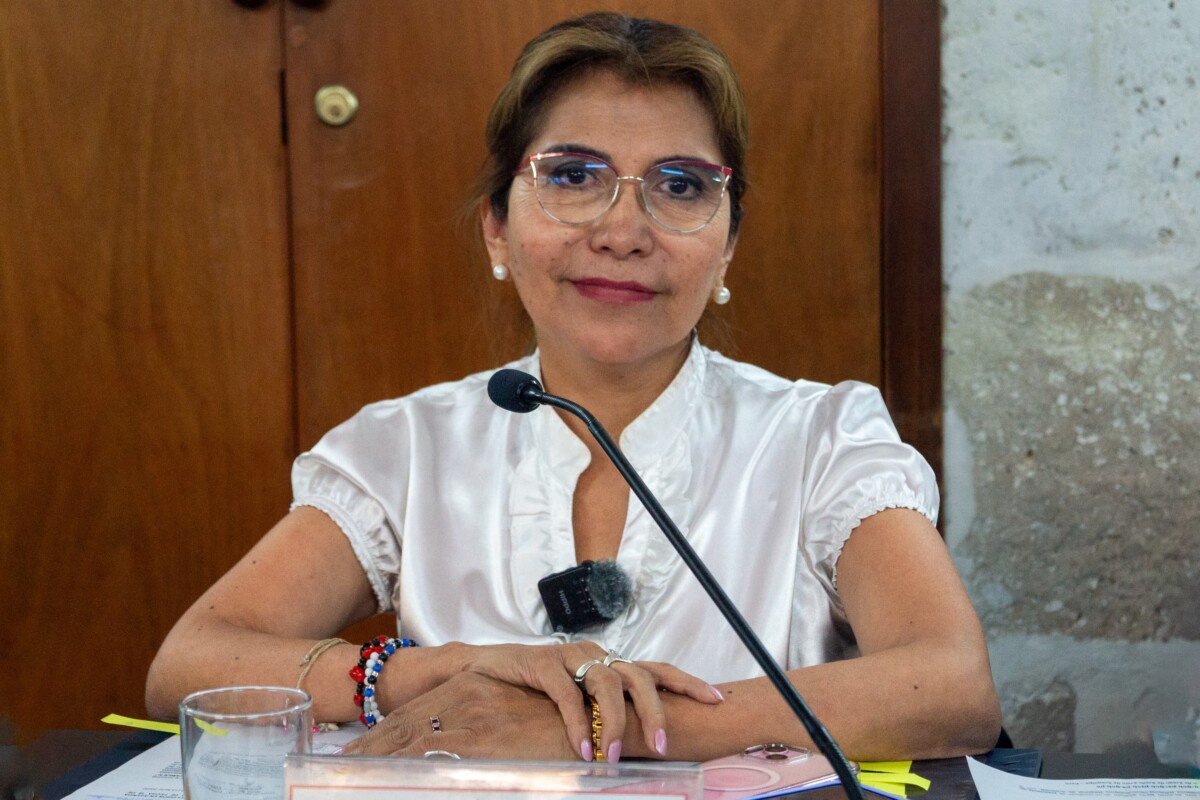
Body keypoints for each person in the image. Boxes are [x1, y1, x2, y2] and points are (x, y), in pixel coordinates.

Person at [145, 12, 1001, 764]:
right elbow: (190, 663)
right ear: (497, 229)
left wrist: (596, 727)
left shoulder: (823, 436)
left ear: (728, 246)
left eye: (680, 186)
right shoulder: (408, 445)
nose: (623, 231)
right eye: (572, 175)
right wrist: (431, 676)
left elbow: (952, 687)